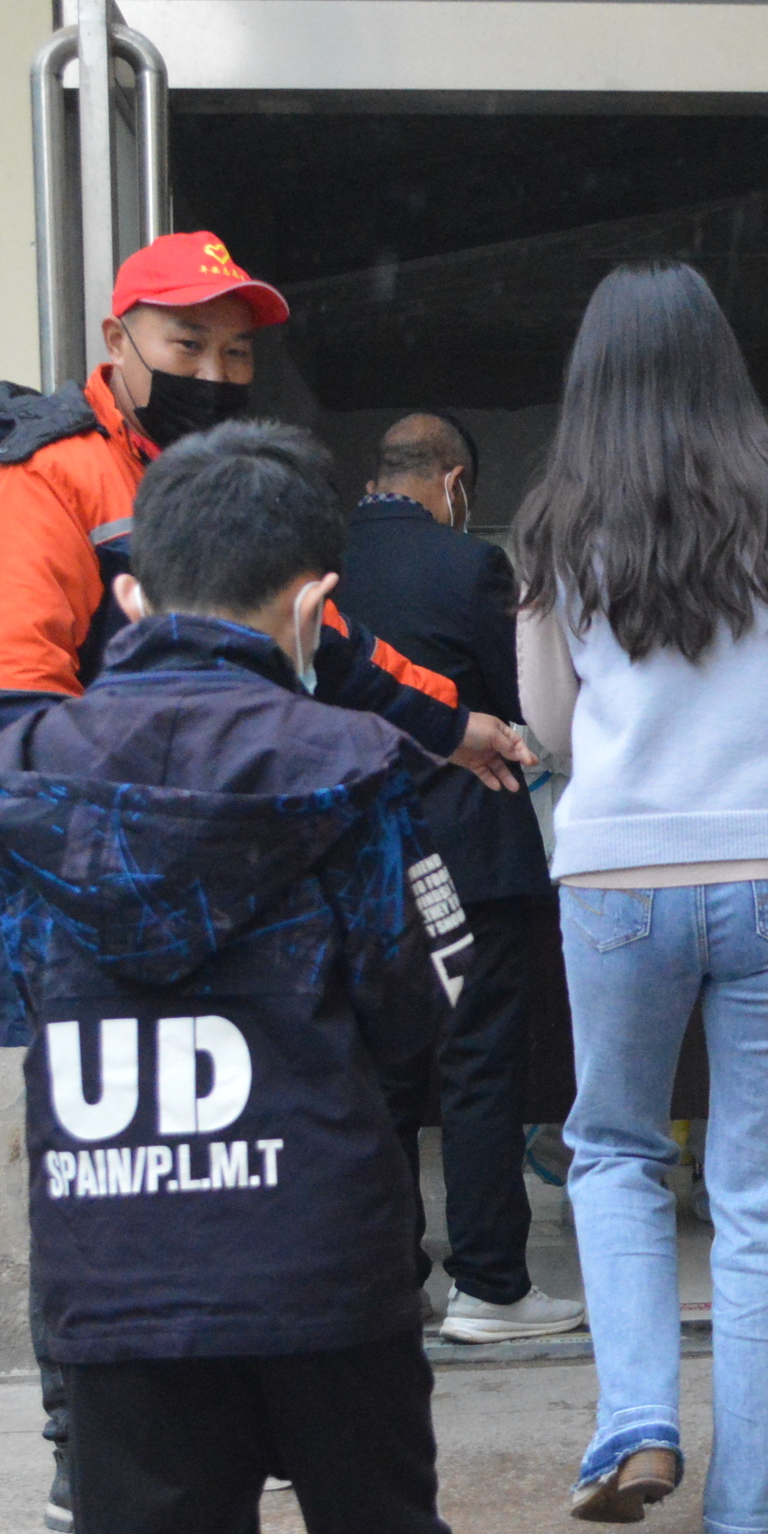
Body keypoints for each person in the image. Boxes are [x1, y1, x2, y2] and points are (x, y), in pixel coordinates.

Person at [0, 420, 511, 1534]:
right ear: (318, 606)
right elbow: (415, 1008)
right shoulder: (355, 765)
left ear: (130, 601)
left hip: (119, 1283)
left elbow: (20, 1004)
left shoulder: (26, 771)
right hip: (325, 1265)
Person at [0, 231, 524, 1533]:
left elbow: (334, 640)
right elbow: (9, 728)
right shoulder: (45, 485)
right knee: (103, 1144)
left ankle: (251, 1398)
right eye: (184, 344)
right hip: (93, 890)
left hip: (242, 890)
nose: (212, 369)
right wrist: (130, 836)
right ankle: (80, 1430)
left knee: (242, 1145)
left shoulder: (213, 487)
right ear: (117, 346)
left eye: (235, 349)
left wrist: (458, 726)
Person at [514, 260, 768, 1534]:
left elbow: (552, 731)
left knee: (614, 1151)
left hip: (617, 876)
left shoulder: (559, 520)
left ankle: (637, 1419)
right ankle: (745, 1520)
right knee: (758, 1190)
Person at [335, 413, 584, 1345]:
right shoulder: (466, 565)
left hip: (359, 858)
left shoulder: (319, 566)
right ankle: (489, 1285)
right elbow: (523, 704)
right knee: (479, 1065)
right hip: (468, 851)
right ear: (453, 479)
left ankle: (391, 1280)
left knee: (385, 1076)